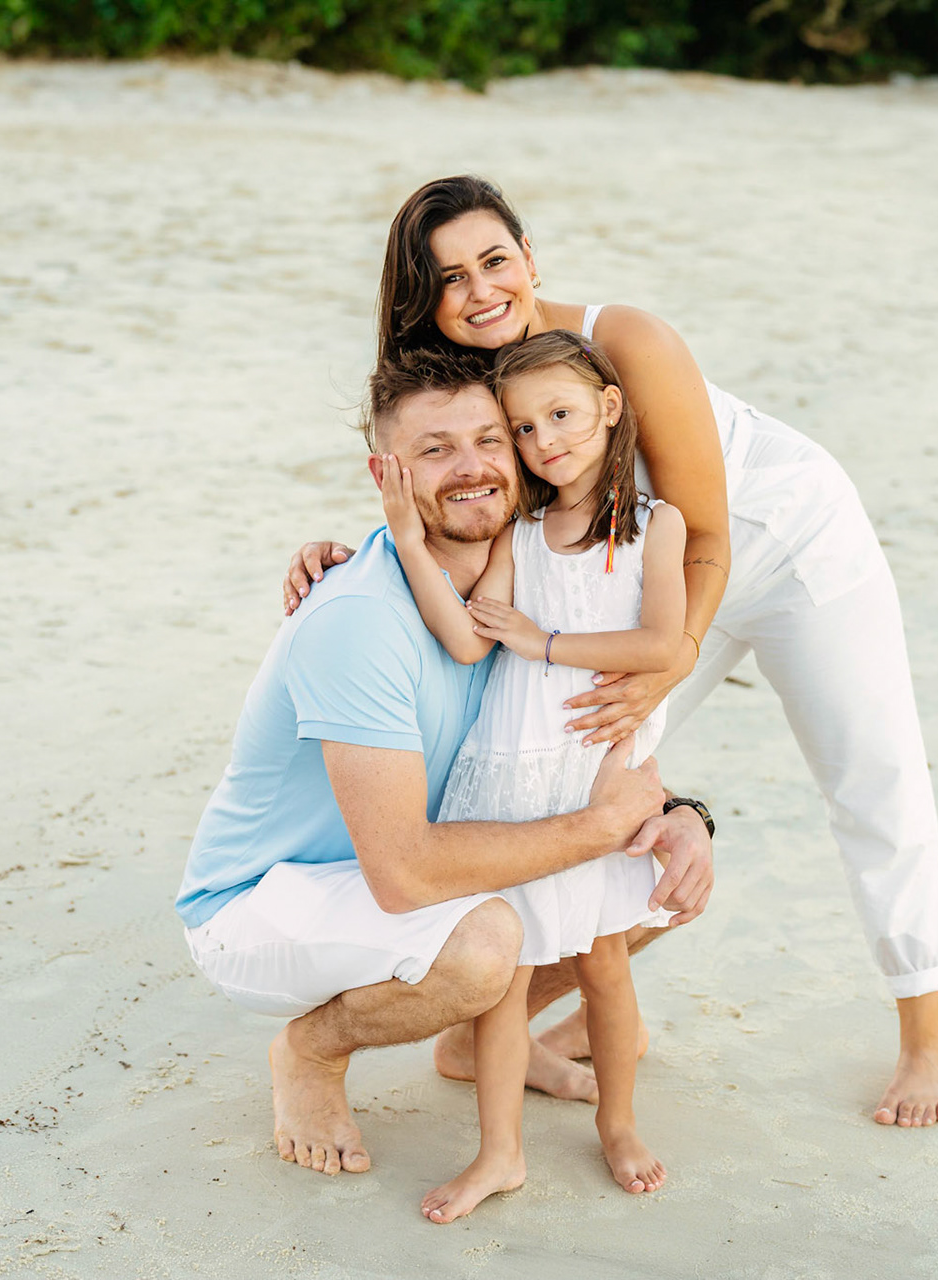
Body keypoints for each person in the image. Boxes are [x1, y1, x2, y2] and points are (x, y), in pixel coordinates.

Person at [288, 175, 938, 1127]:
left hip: (775, 546)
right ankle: (524, 1022)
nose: (481, 290)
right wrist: (338, 554)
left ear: (529, 257)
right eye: (449, 279)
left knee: (872, 776)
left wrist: (670, 661)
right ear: (419, 301)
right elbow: (449, 509)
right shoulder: (471, 385)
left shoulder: (625, 340)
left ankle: (925, 1036)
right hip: (637, 584)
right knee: (554, 780)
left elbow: (711, 532)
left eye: (494, 260)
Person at [176, 347, 714, 1207]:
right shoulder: (358, 621)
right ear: (387, 472)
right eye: (434, 450)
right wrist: (602, 827)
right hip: (267, 899)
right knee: (485, 943)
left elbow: (558, 725)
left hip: (398, 869)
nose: (471, 468)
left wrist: (675, 811)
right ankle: (310, 1051)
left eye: (489, 439)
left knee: (641, 885)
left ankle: (477, 1045)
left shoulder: (523, 568)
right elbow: (407, 877)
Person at [381, 331, 686, 1220]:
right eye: (523, 427)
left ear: (609, 407)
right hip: (509, 779)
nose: (545, 440)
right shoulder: (520, 528)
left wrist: (543, 642)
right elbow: (469, 635)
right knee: (505, 983)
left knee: (604, 966)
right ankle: (499, 1153)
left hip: (589, 777)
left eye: (561, 414)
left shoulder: (651, 525)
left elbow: (661, 643)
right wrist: (405, 539)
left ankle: (621, 1123)